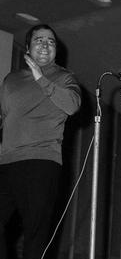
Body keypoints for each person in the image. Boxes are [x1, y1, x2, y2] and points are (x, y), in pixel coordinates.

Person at [0, 24, 81, 259]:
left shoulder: (65, 77)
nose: (45, 45)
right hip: (6, 162)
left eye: (51, 41)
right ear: (27, 47)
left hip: (41, 162)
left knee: (36, 234)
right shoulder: (12, 79)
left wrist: (41, 78)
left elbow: (73, 105)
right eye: (39, 40)